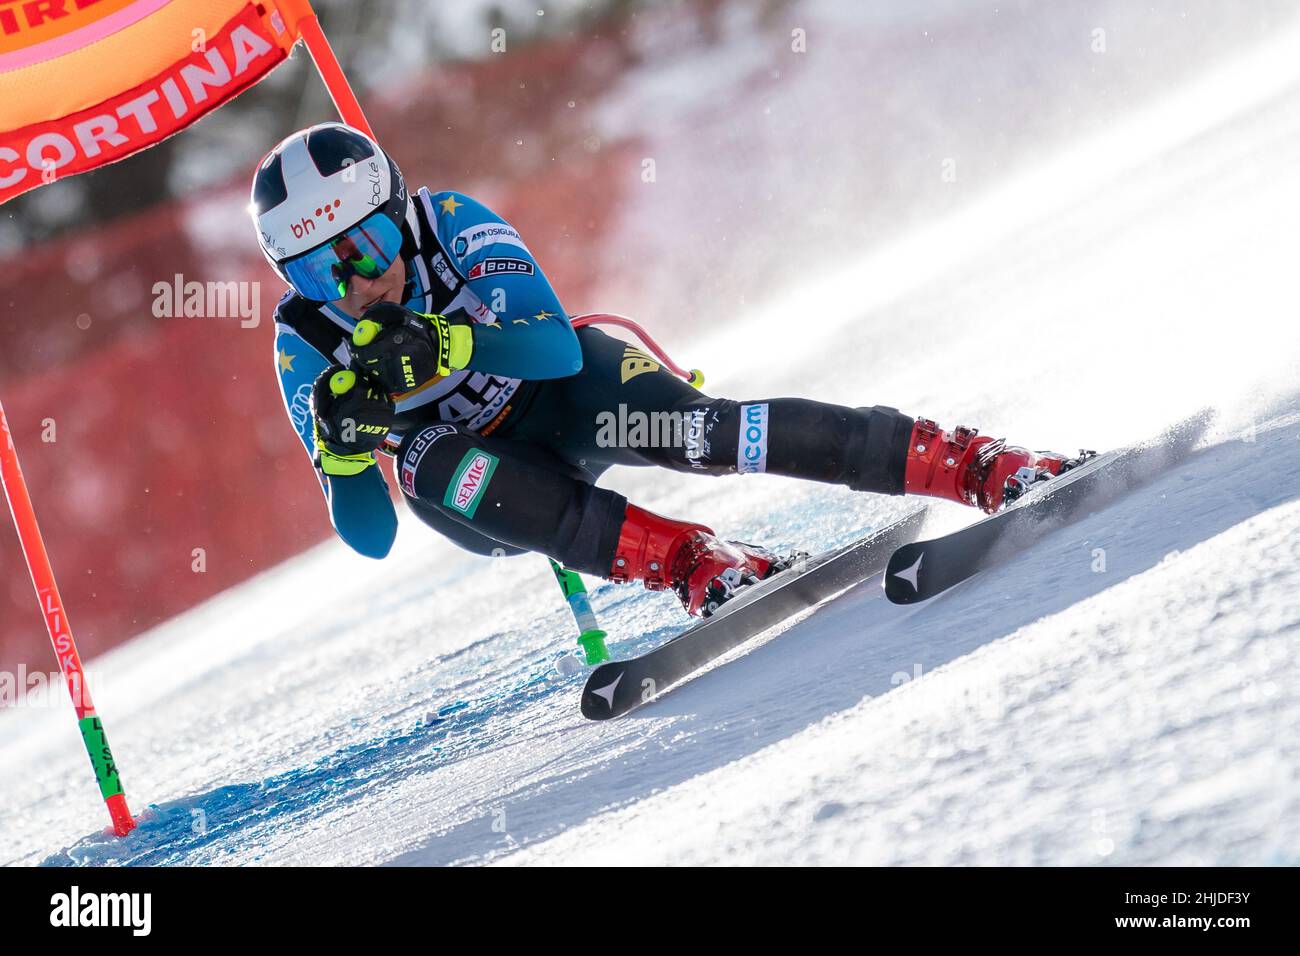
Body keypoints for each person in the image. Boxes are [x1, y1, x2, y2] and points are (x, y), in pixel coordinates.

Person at [251, 122, 1073, 617]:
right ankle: (687, 561)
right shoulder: (305, 348)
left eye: (369, 245)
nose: (360, 282)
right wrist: (347, 451)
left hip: (571, 400)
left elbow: (555, 348)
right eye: (324, 272)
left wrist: (452, 345)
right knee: (428, 462)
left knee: (708, 436)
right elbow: (370, 536)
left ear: (398, 213)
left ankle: (969, 462)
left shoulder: (450, 222)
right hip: (494, 481)